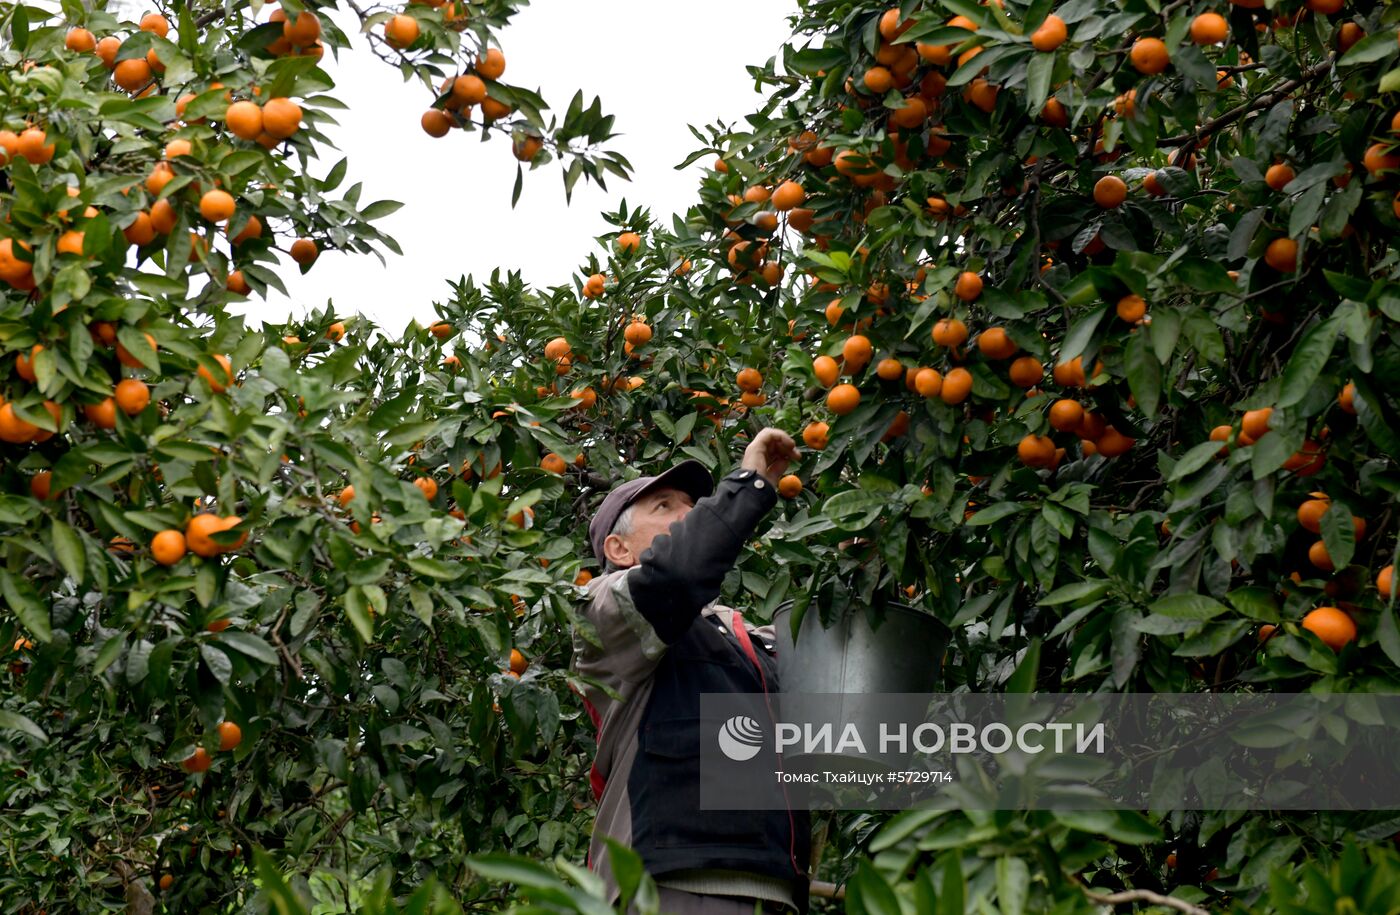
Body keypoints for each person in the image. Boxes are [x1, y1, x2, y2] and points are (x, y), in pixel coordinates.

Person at [572, 427, 811, 915]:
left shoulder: (753, 638)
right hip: (671, 882)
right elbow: (675, 576)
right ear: (618, 549)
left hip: (775, 889)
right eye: (665, 507)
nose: (690, 513)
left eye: (692, 504)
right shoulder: (603, 611)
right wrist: (750, 484)